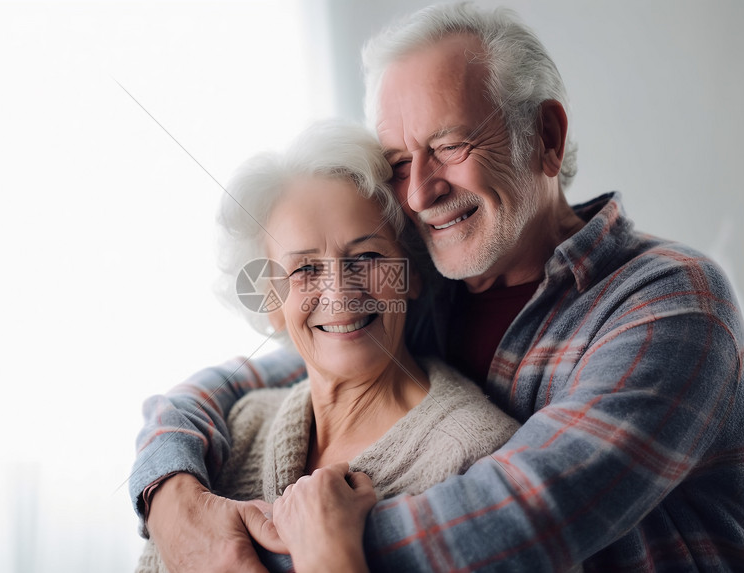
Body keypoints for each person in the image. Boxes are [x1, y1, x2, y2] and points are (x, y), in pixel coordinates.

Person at [131, 3, 744, 571]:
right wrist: (171, 493)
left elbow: (521, 518)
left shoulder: (671, 303)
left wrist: (292, 543)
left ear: (546, 138)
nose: (421, 192)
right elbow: (274, 367)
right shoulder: (431, 276)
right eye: (400, 163)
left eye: (450, 146)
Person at [134, 121, 520, 573]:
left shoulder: (481, 457)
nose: (339, 293)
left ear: (411, 273)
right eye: (304, 270)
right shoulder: (238, 429)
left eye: (368, 258)